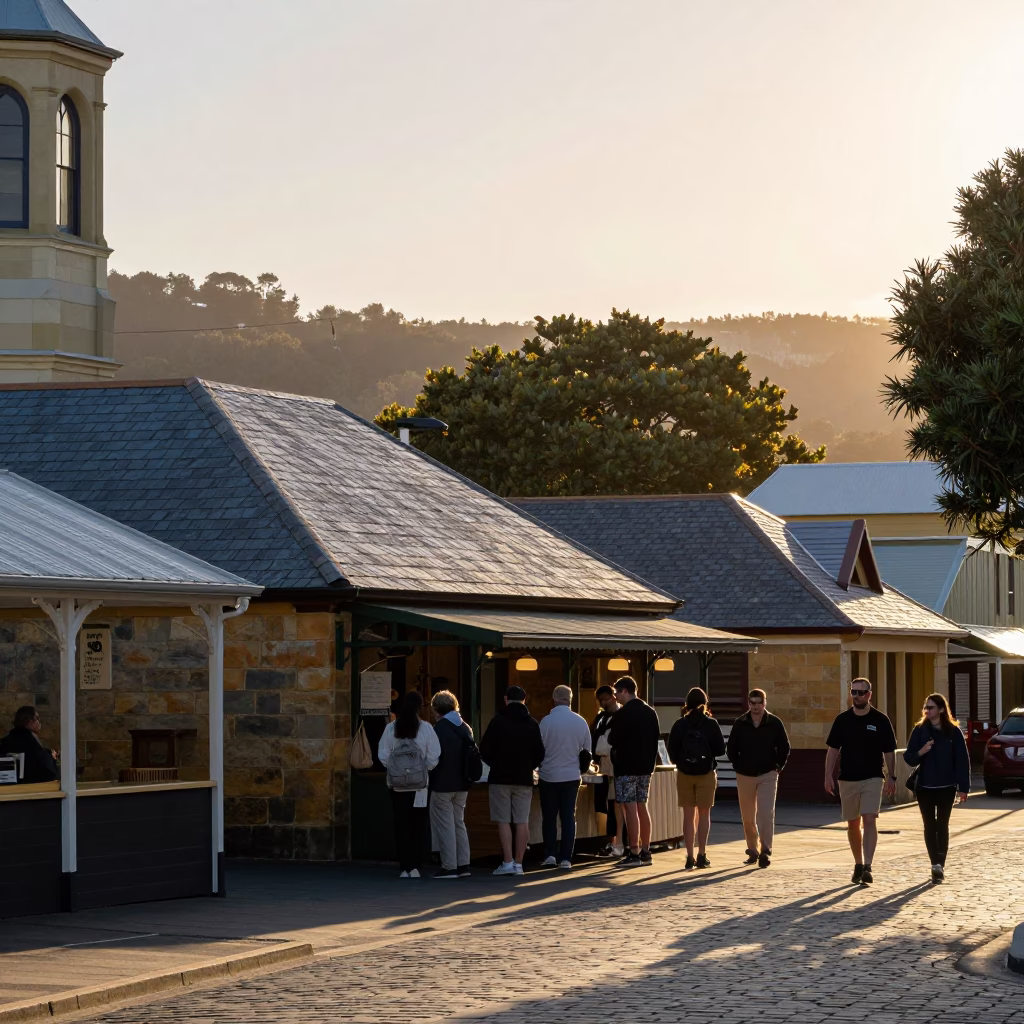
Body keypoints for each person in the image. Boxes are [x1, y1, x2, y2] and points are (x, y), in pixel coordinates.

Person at [824, 677, 897, 885]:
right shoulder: (842, 720)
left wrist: (892, 776)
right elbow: (832, 750)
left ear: (869, 695)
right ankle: (858, 863)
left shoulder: (881, 720)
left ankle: (868, 866)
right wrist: (827, 775)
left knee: (869, 818)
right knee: (853, 824)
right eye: (853, 692)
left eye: (860, 692)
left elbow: (889, 750)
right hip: (847, 778)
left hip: (873, 777)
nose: (856, 696)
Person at [903, 692, 970, 884]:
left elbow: (962, 761)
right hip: (924, 786)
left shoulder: (953, 732)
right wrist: (921, 751)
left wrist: (963, 788)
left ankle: (941, 863)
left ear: (941, 709)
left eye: (931, 707)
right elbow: (908, 758)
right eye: (925, 707)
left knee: (942, 825)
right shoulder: (920, 730)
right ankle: (934, 864)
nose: (927, 710)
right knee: (929, 825)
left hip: (947, 786)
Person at [479, 685, 545, 876]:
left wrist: (497, 763)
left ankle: (507, 861)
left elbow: (485, 750)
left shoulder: (497, 721)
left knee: (503, 820)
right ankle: (519, 864)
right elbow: (540, 753)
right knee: (522, 821)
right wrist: (528, 766)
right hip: (523, 778)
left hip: (500, 777)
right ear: (524, 700)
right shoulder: (532, 723)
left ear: (506, 699)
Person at [378, 691, 440, 879]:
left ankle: (404, 866)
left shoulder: (391, 728)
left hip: (397, 786)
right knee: (418, 825)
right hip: (419, 786)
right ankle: (415, 865)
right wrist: (422, 770)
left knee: (401, 824)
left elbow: (383, 755)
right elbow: (434, 756)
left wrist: (397, 770)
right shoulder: (426, 728)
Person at [727, 688, 790, 868]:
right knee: (747, 815)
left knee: (765, 813)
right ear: (748, 703)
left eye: (759, 703)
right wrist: (738, 766)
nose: (756, 707)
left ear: (765, 703)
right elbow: (731, 748)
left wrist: (777, 767)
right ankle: (752, 849)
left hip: (768, 774)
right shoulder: (740, 723)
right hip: (745, 774)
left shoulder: (774, 723)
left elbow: (784, 747)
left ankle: (765, 850)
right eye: (752, 703)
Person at [668, 687, 725, 869]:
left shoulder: (679, 724)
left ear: (687, 704)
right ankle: (702, 854)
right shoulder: (711, 724)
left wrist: (685, 761)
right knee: (704, 814)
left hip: (684, 773)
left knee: (688, 815)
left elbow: (672, 753)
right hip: (706, 773)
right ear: (705, 703)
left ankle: (689, 856)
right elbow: (720, 750)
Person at [607, 676, 661, 867]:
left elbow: (613, 739)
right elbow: (656, 739)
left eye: (616, 693)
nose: (615, 697)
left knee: (629, 808)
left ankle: (634, 852)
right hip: (645, 767)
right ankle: (646, 851)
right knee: (642, 806)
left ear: (625, 691)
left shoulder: (622, 714)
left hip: (627, 767)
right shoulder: (650, 712)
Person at [538, 684, 592, 869]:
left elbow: (539, 749)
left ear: (554, 698)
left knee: (549, 817)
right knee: (568, 816)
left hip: (548, 775)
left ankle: (550, 854)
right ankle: (566, 858)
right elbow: (587, 752)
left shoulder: (545, 722)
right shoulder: (581, 721)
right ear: (570, 699)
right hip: (571, 775)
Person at [429, 690, 474, 879]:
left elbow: (433, 758)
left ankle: (449, 866)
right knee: (459, 823)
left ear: (437, 709)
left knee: (445, 825)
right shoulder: (465, 727)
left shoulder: (438, 729)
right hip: (463, 783)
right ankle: (463, 864)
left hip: (443, 783)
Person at [591, 685, 625, 857]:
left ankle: (619, 842)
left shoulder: (621, 716)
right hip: (604, 766)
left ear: (614, 696)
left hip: (617, 764)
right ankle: (613, 841)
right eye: (601, 700)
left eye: (606, 698)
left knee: (617, 804)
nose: (604, 702)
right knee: (609, 805)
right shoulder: (600, 718)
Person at [0, 706, 58, 783]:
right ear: (30, 723)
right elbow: (47, 772)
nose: (39, 722)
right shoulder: (31, 741)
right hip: (30, 788)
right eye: (37, 718)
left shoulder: (5, 740)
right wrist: (52, 758)